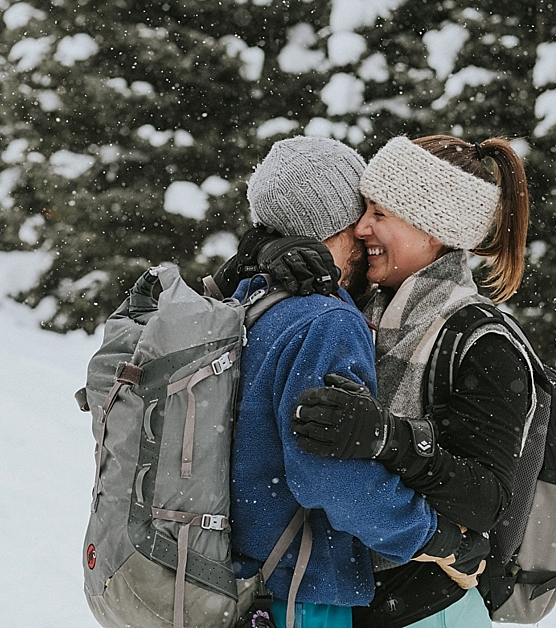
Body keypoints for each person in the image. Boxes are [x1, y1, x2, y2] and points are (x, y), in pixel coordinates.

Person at [219, 136, 487, 629]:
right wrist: (433, 536)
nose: (365, 233)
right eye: (357, 217)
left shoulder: (241, 299)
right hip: (300, 589)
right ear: (331, 230)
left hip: (231, 580)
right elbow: (330, 473)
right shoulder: (326, 320)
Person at [290, 135, 535, 627]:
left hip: (429, 611)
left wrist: (389, 438)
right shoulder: (364, 307)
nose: (361, 228)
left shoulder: (485, 342)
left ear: (433, 227)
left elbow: (487, 500)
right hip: (356, 604)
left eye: (380, 214)